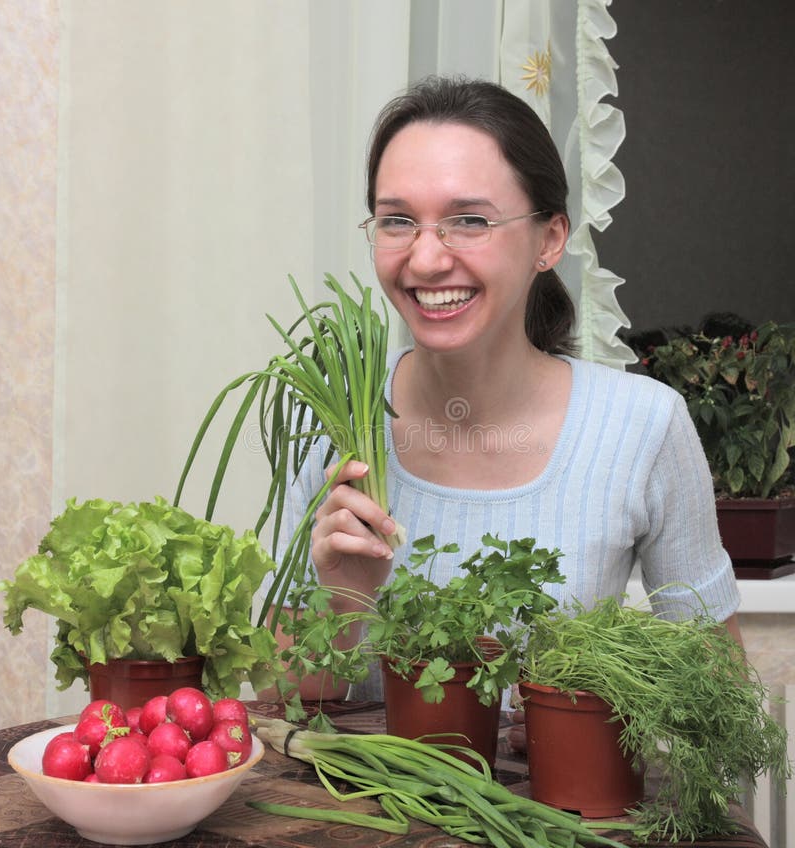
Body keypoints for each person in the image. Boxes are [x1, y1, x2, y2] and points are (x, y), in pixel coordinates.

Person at [268, 75, 742, 748]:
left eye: (470, 220)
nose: (427, 259)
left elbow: (719, 703)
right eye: (397, 219)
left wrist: (594, 720)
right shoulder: (333, 423)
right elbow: (280, 704)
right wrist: (343, 595)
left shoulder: (643, 425)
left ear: (549, 241)